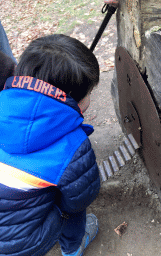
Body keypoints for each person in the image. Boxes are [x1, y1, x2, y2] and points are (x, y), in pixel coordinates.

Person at [0, 34, 100, 256]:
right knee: (72, 207)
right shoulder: (72, 146)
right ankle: (73, 247)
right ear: (73, 99)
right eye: (90, 92)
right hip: (18, 245)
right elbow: (81, 196)